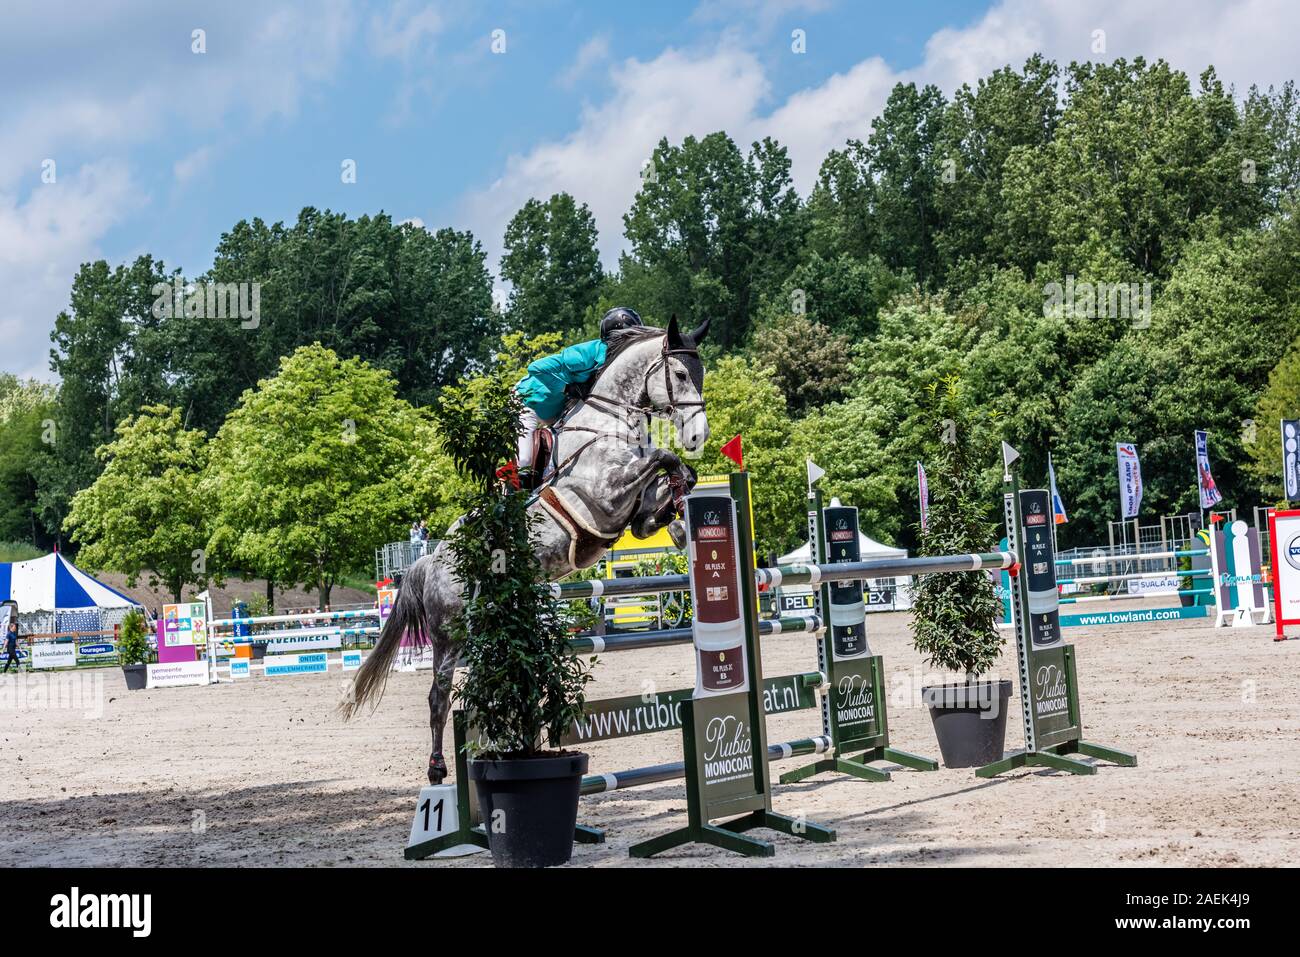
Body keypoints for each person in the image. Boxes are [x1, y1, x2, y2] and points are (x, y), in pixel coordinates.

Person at [514, 307, 644, 481]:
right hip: (527, 402)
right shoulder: (583, 356)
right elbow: (535, 367)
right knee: (524, 460)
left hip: (558, 411)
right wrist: (566, 388)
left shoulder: (616, 364)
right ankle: (510, 497)